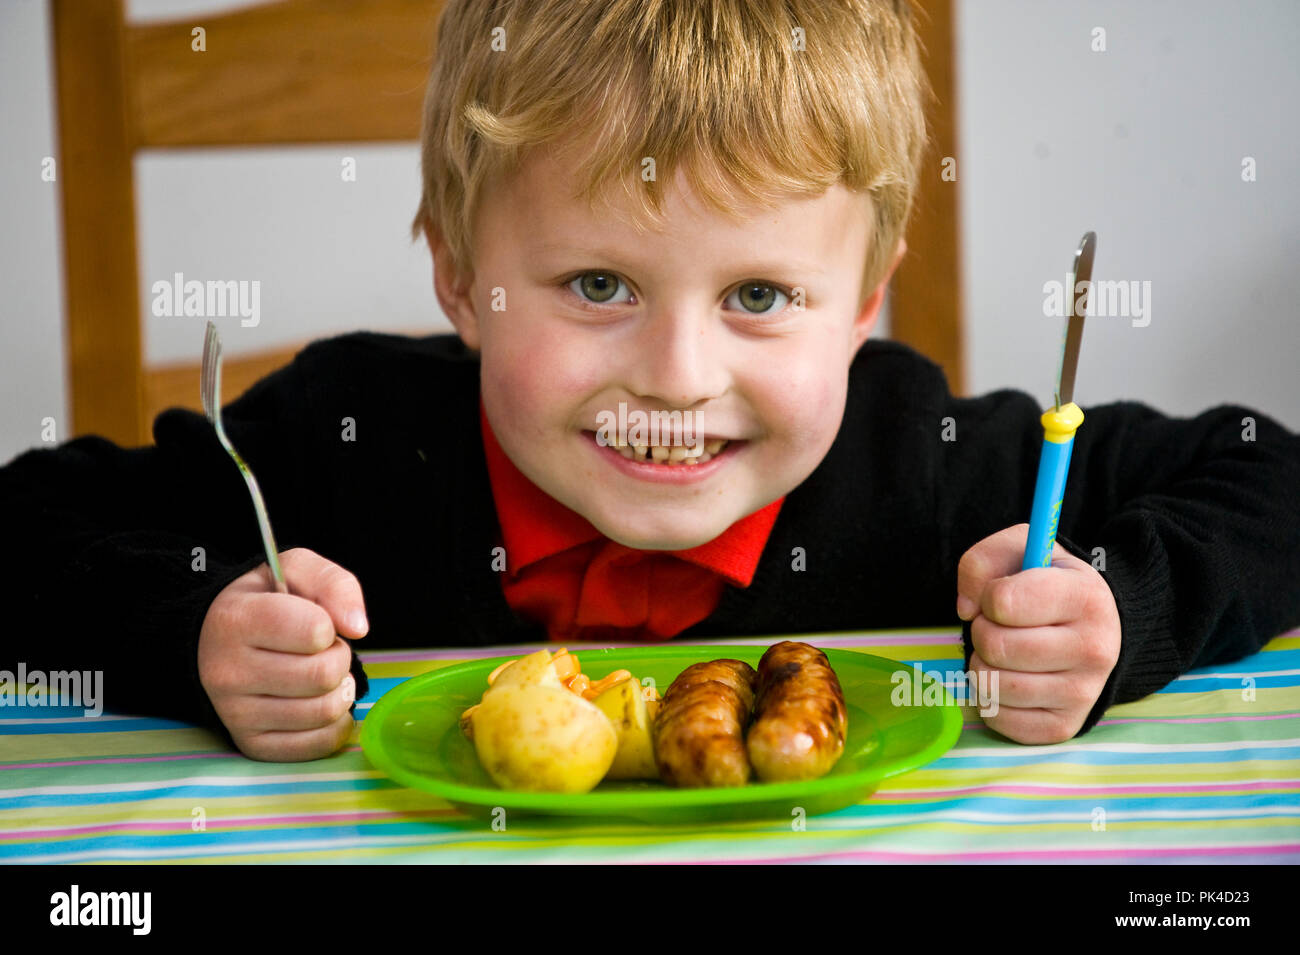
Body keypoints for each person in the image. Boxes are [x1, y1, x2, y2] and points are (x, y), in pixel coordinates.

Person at [3, 0, 1298, 763]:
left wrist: (1123, 611)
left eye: (758, 298)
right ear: (457, 275)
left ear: (860, 302)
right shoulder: (338, 448)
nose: (680, 379)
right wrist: (188, 632)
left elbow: (1277, 480)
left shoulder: (932, 458)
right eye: (599, 288)